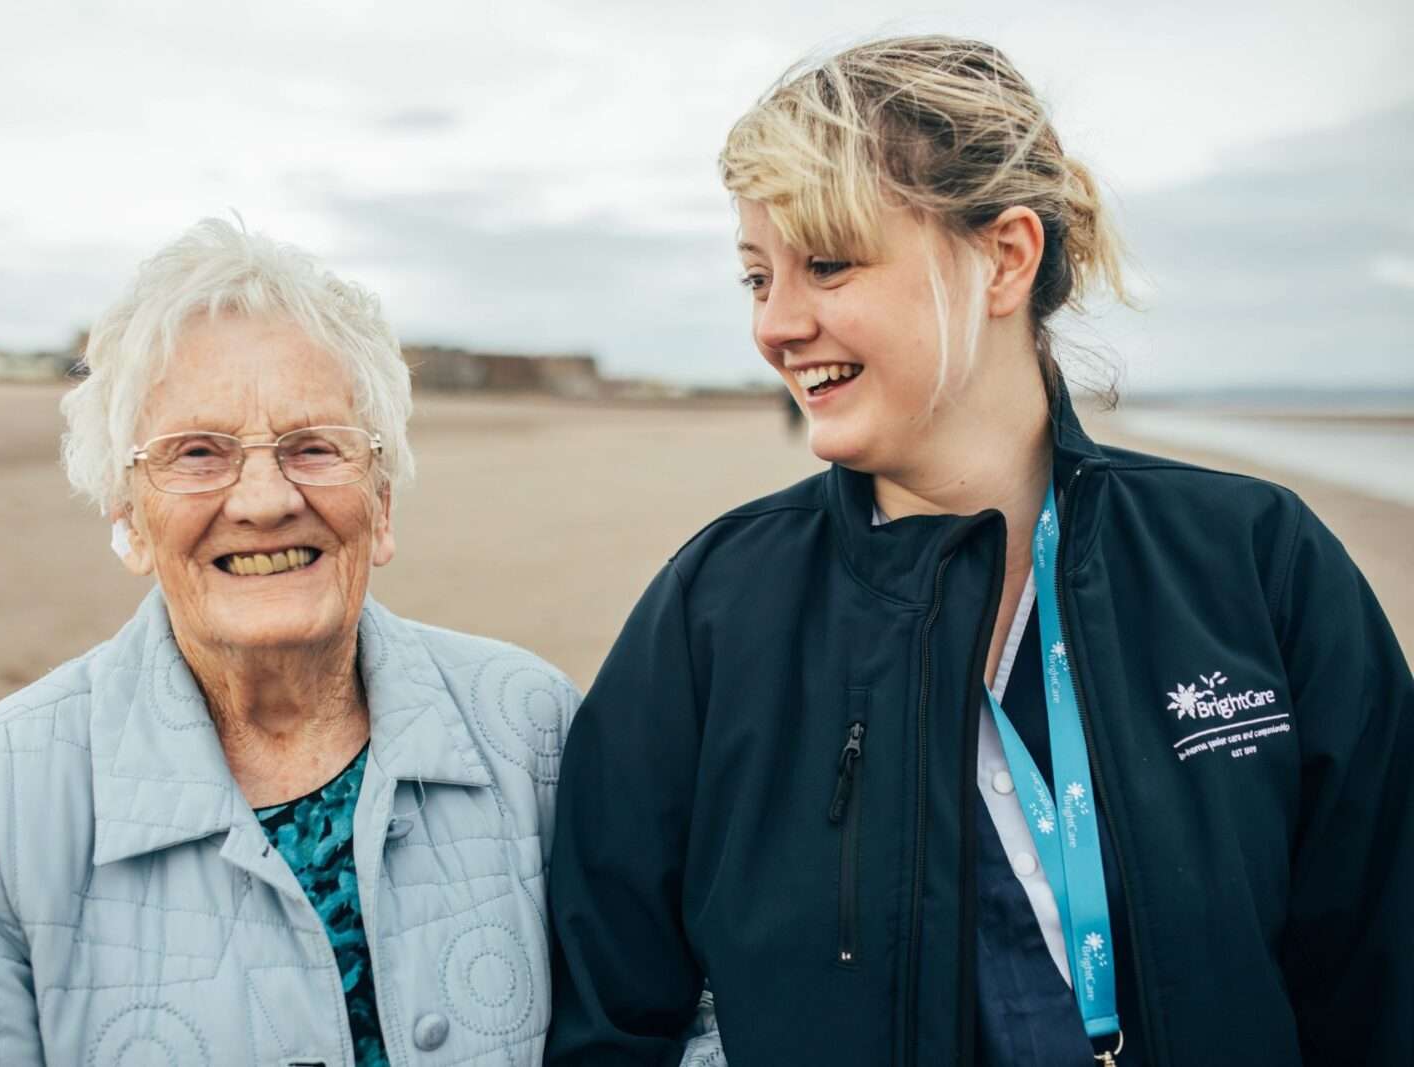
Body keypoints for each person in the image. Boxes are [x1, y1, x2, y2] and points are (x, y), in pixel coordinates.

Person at [546, 35, 1413, 1066]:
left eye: (827, 263)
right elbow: (611, 1022)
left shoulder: (1257, 567)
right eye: (754, 278)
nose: (776, 325)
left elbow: (1382, 988)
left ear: (1004, 256)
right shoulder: (713, 614)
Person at [0, 219, 582, 1065]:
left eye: (312, 446)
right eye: (196, 452)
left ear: (383, 504)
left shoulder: (536, 730)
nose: (264, 499)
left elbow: (671, 1022)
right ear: (128, 515)